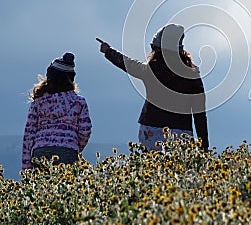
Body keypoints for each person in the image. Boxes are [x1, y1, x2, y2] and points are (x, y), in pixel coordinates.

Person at [98, 24, 209, 152]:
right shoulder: (192, 74)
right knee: (177, 170)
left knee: (152, 169)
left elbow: (128, 64)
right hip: (181, 132)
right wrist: (204, 145)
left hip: (151, 129)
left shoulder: (151, 69)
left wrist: (108, 51)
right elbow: (200, 114)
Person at [22, 52, 92, 170]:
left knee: (42, 187)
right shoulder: (79, 102)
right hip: (68, 152)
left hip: (40, 151)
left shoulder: (38, 103)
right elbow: (85, 131)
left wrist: (26, 168)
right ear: (71, 79)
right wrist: (74, 145)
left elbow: (29, 135)